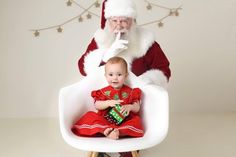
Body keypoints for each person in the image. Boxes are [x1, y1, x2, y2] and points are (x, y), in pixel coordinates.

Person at [77, 0, 171, 156]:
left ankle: (124, 148)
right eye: (114, 21)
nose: (119, 26)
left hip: (132, 104)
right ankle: (104, 143)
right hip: (105, 104)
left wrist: (145, 83)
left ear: (132, 21)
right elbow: (82, 67)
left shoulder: (146, 41)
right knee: (94, 121)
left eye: (124, 21)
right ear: (108, 21)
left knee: (130, 133)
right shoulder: (100, 39)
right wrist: (105, 56)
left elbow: (163, 70)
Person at [71, 57, 144, 140]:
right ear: (105, 76)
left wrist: (130, 107)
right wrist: (107, 103)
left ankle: (118, 132)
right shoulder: (103, 92)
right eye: (111, 75)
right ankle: (106, 130)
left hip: (124, 121)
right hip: (105, 120)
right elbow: (97, 105)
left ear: (126, 76)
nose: (115, 78)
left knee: (136, 121)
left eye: (119, 74)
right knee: (90, 115)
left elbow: (137, 107)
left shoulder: (131, 92)